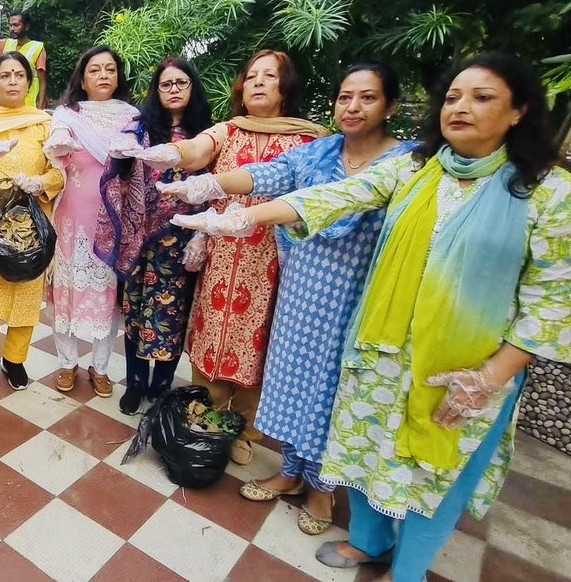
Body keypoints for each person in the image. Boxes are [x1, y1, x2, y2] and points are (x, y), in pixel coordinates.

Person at [177, 53, 571, 582]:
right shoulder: (416, 168)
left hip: (461, 369)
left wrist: (489, 379)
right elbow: (334, 195)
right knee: (366, 451)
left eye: (482, 97)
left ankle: (408, 570)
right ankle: (368, 544)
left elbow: (552, 304)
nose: (460, 108)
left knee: (430, 476)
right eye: (453, 97)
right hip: (379, 348)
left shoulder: (547, 192)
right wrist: (237, 216)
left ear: (519, 112)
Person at [161, 63, 415, 534]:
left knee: (331, 392)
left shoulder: (405, 163)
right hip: (301, 288)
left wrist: (241, 215)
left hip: (352, 296)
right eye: (345, 97)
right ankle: (292, 474)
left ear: (390, 106)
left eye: (367, 98)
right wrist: (209, 185)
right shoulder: (319, 152)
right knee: (294, 379)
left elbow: (329, 201)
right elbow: (265, 174)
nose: (353, 107)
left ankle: (322, 492)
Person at [130, 49, 326, 465]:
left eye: (268, 77)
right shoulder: (229, 130)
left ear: (285, 86)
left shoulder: (310, 141)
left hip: (273, 262)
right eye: (251, 75)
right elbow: (200, 151)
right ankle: (207, 413)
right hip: (221, 252)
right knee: (210, 331)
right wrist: (174, 154)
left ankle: (244, 429)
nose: (257, 82)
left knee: (260, 341)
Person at [99, 57, 213, 414]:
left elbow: (218, 188)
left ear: (192, 88)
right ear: (156, 90)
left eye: (181, 83)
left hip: (182, 240)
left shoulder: (207, 135)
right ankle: (135, 383)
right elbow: (117, 170)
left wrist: (204, 234)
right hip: (140, 240)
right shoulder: (139, 128)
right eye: (166, 84)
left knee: (171, 316)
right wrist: (120, 156)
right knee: (135, 310)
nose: (174, 90)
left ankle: (161, 387)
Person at [42, 46, 140, 397]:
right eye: (95, 70)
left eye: (110, 69)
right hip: (71, 218)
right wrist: (58, 143)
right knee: (65, 292)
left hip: (111, 220)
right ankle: (67, 363)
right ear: (82, 78)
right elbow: (55, 159)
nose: (103, 75)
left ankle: (100, 368)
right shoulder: (67, 115)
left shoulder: (132, 117)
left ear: (118, 76)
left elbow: (136, 167)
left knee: (107, 294)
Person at [0, 52, 62, 391]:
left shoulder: (44, 123)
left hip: (31, 218)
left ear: (29, 82)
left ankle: (16, 360)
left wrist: (43, 183)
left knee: (26, 286)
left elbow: (58, 172)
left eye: (19, 75)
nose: (12, 81)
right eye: (4, 76)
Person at [0, 11, 47, 109]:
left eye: (16, 25)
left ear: (26, 27)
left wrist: (40, 105)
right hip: (6, 102)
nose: (12, 29)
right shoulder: (5, 44)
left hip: (28, 104)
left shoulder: (37, 48)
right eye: (11, 25)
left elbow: (42, 81)